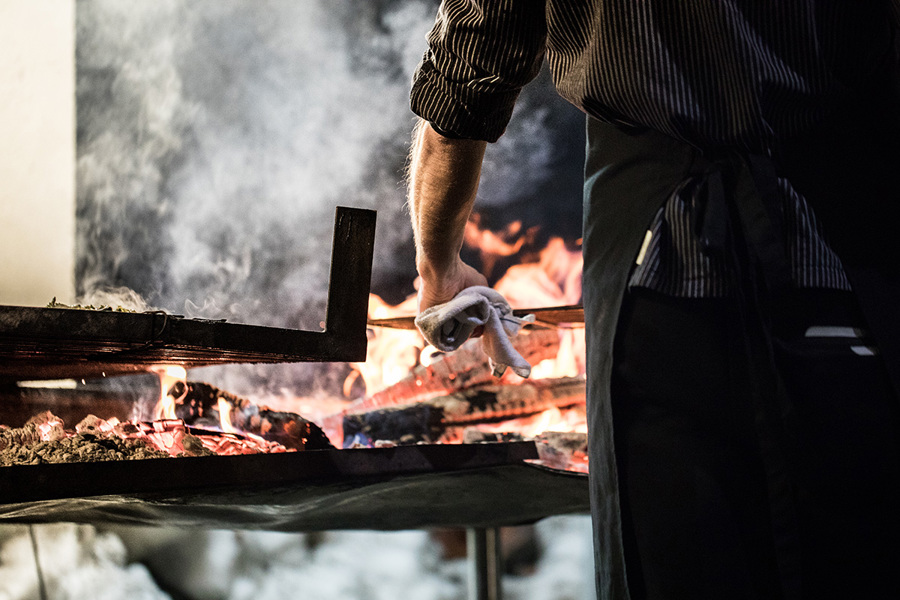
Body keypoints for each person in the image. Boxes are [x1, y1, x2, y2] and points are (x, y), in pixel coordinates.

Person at [406, 2, 900, 600]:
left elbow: (467, 70)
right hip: (835, 258)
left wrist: (437, 264)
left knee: (677, 557)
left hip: (656, 269)